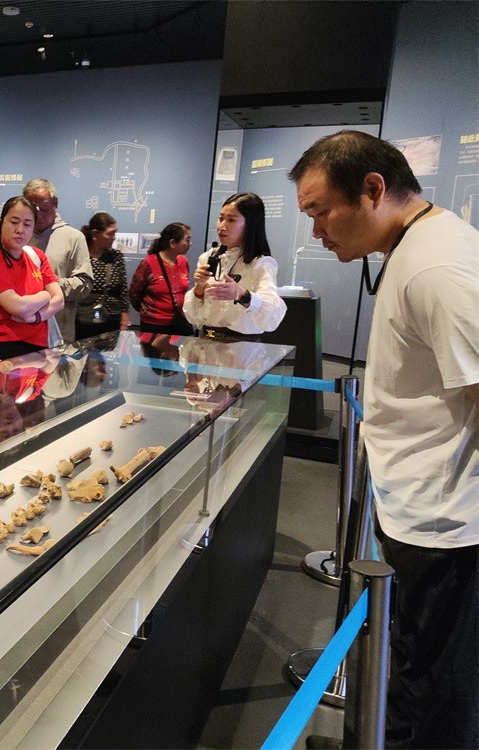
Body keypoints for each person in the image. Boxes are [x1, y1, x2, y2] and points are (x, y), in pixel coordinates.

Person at [290, 130, 478, 749]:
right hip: (423, 508)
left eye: (321, 211)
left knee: (431, 689)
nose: (316, 230)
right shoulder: (419, 247)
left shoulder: (435, 265)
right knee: (416, 669)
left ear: (372, 189)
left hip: (444, 523)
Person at [182, 193, 285, 341]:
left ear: (250, 225)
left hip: (241, 346)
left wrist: (242, 294)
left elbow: (273, 312)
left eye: (231, 220)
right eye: (220, 218)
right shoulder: (207, 257)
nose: (221, 226)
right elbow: (192, 316)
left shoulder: (261, 263)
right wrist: (199, 288)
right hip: (205, 342)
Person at [0, 196, 64, 360]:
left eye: (27, 224)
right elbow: (18, 307)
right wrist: (45, 295)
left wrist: (35, 317)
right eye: (14, 222)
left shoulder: (37, 256)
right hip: (4, 346)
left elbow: (59, 300)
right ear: (1, 224)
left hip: (40, 345)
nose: (20, 230)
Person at [23, 178, 93, 344]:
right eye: (33, 208)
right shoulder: (20, 235)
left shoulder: (73, 237)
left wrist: (50, 285)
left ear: (55, 203)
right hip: (22, 329)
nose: (38, 214)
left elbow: (85, 284)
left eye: (44, 208)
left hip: (57, 333)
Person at [128, 222, 195, 344]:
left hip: (178, 324)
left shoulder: (183, 261)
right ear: (173, 243)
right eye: (187, 239)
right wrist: (148, 311)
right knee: (153, 356)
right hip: (153, 326)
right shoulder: (149, 263)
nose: (190, 243)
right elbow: (134, 293)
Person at [74, 212, 130, 340]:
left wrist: (125, 316)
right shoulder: (80, 256)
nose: (114, 238)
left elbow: (123, 289)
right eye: (110, 234)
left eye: (115, 233)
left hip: (111, 317)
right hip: (83, 317)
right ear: (95, 234)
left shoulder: (116, 257)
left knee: (108, 351)